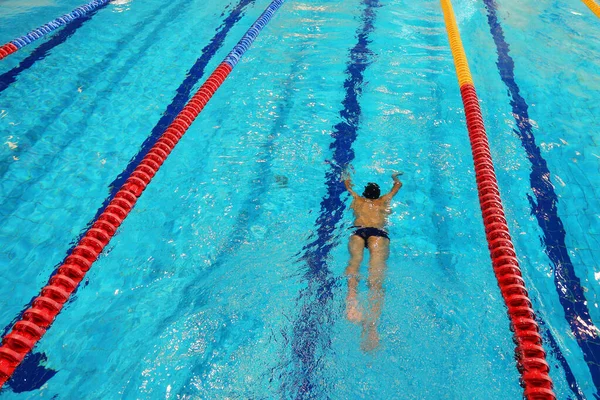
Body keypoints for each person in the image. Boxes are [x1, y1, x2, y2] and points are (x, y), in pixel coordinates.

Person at [342, 171, 402, 351]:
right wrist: (395, 177)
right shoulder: (383, 201)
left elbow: (347, 186)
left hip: (358, 232)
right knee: (375, 276)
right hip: (378, 234)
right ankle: (372, 327)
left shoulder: (357, 200)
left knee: (354, 263)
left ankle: (351, 299)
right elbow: (397, 187)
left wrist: (347, 174)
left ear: (364, 193)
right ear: (377, 194)